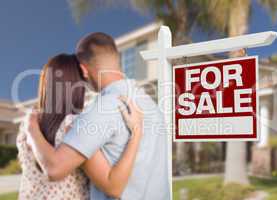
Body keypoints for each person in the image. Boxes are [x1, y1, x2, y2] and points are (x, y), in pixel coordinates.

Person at [26, 32, 170, 200]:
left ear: (83, 70)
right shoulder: (151, 106)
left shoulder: (100, 111)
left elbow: (54, 169)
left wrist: (31, 130)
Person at [18, 54, 144, 200]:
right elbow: (113, 187)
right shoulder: (74, 125)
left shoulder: (29, 124)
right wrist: (136, 132)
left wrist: (32, 130)